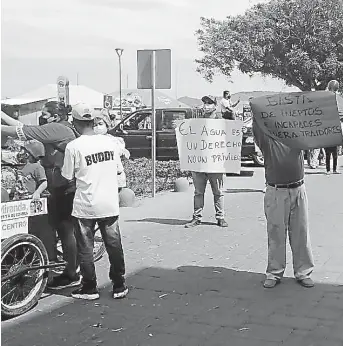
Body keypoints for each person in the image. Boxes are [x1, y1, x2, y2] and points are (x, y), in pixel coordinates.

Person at [1, 101, 80, 289]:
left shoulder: (57, 129)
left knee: (65, 229)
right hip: (59, 185)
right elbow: (21, 127)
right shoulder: (60, 127)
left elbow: (20, 131)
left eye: (45, 114)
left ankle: (72, 273)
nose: (42, 116)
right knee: (55, 226)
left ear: (54, 116)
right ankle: (58, 263)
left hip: (64, 186)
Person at [62, 103, 128, 300]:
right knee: (114, 245)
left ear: (75, 123)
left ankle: (89, 287)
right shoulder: (110, 143)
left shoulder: (73, 146)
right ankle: (119, 284)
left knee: (85, 248)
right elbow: (118, 170)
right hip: (109, 203)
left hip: (85, 205)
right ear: (93, 121)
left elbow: (67, 176)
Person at [252, 115, 314, 289]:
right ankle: (274, 273)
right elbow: (257, 128)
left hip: (298, 189)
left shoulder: (298, 140)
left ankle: (303, 272)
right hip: (276, 191)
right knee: (276, 234)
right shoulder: (268, 141)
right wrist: (256, 112)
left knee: (301, 232)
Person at [185, 95, 228, 228]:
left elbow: (231, 138)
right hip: (199, 163)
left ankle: (220, 217)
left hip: (215, 164)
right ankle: (196, 218)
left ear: (215, 105)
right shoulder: (197, 121)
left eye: (209, 103)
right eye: (204, 103)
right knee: (198, 192)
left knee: (218, 192)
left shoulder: (221, 120)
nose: (206, 105)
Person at [93, 108, 130, 190]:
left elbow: (122, 154)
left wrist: (124, 153)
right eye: (95, 125)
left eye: (100, 124)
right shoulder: (89, 141)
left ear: (106, 125)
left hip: (115, 179)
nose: (97, 127)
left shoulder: (115, 141)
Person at [325, 80, 341, 175]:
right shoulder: (329, 97)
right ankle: (329, 169)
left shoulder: (334, 98)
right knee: (329, 153)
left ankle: (332, 169)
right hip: (331, 128)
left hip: (332, 128)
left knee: (334, 153)